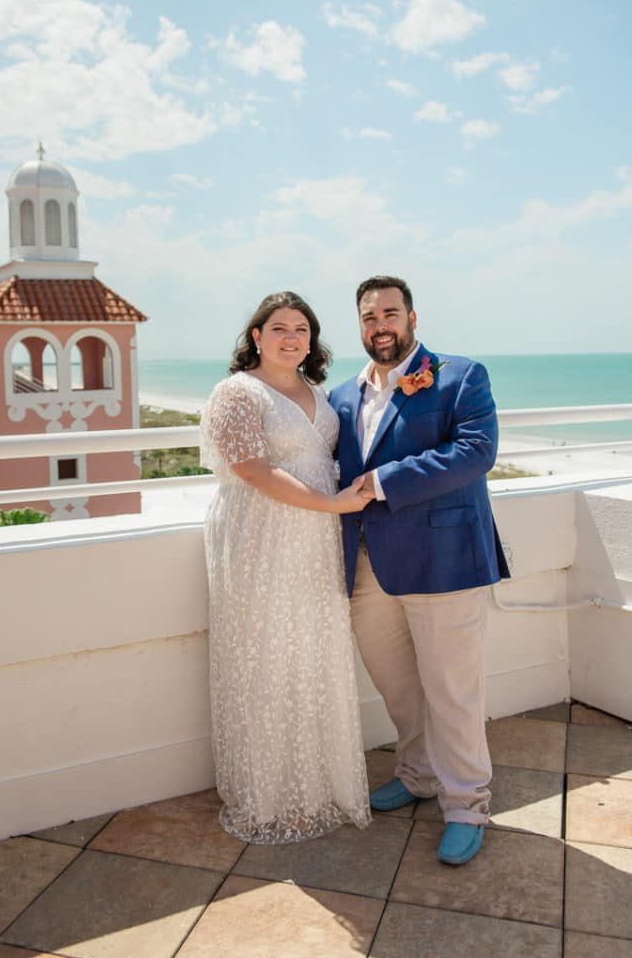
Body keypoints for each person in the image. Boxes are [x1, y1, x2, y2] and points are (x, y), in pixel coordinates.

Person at [330, 275, 510, 865]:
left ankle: (466, 804)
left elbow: (475, 452)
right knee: (399, 686)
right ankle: (417, 775)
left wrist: (384, 482)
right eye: (367, 317)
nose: (379, 324)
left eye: (389, 313)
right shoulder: (340, 396)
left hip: (443, 562)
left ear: (412, 317)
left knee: (453, 690)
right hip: (367, 567)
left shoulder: (460, 376)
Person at [200, 290, 372, 844]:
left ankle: (315, 784)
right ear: (256, 336)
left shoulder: (319, 393)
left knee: (312, 650)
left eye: (302, 328)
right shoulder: (237, 391)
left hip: (317, 540)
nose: (292, 337)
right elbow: (251, 470)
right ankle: (271, 795)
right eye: (279, 327)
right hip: (263, 536)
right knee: (268, 652)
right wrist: (332, 504)